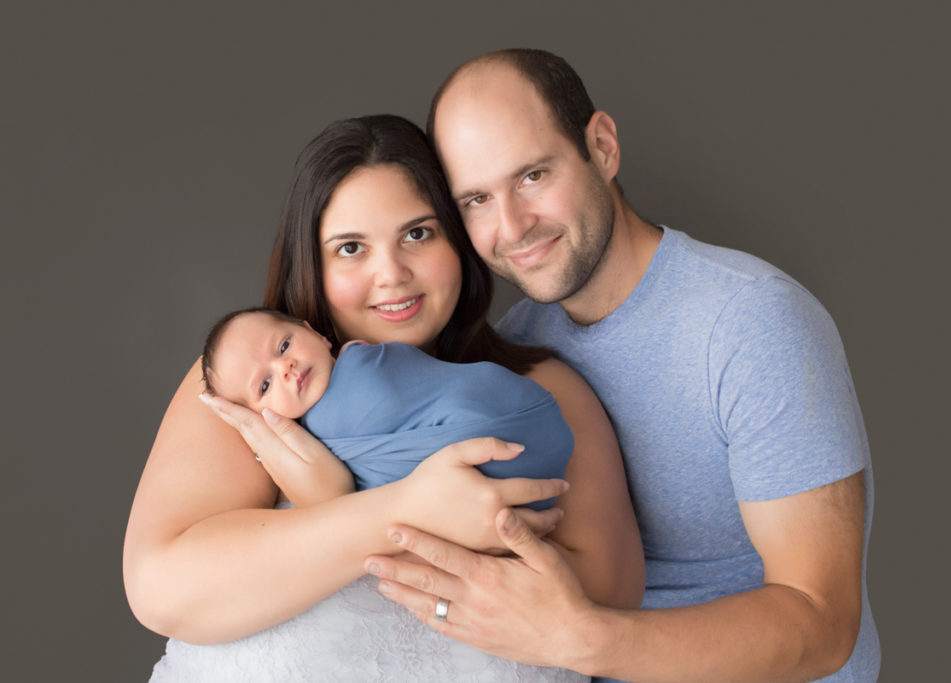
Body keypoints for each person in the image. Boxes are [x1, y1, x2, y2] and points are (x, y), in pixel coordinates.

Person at [364, 49, 881, 682]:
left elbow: (823, 624)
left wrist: (579, 640)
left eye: (531, 175)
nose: (512, 227)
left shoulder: (751, 322)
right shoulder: (516, 350)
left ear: (602, 148)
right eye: (475, 199)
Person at [125, 114, 643, 682]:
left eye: (418, 234)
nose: (391, 274)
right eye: (350, 248)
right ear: (312, 264)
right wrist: (407, 511)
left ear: (459, 239)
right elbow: (164, 589)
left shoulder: (538, 387)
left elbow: (609, 598)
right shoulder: (250, 380)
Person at [199, 307, 573, 507]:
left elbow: (337, 503)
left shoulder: (363, 367)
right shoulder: (302, 436)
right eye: (264, 385)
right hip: (531, 457)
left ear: (313, 332)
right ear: (258, 415)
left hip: (516, 428)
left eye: (284, 347)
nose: (286, 368)